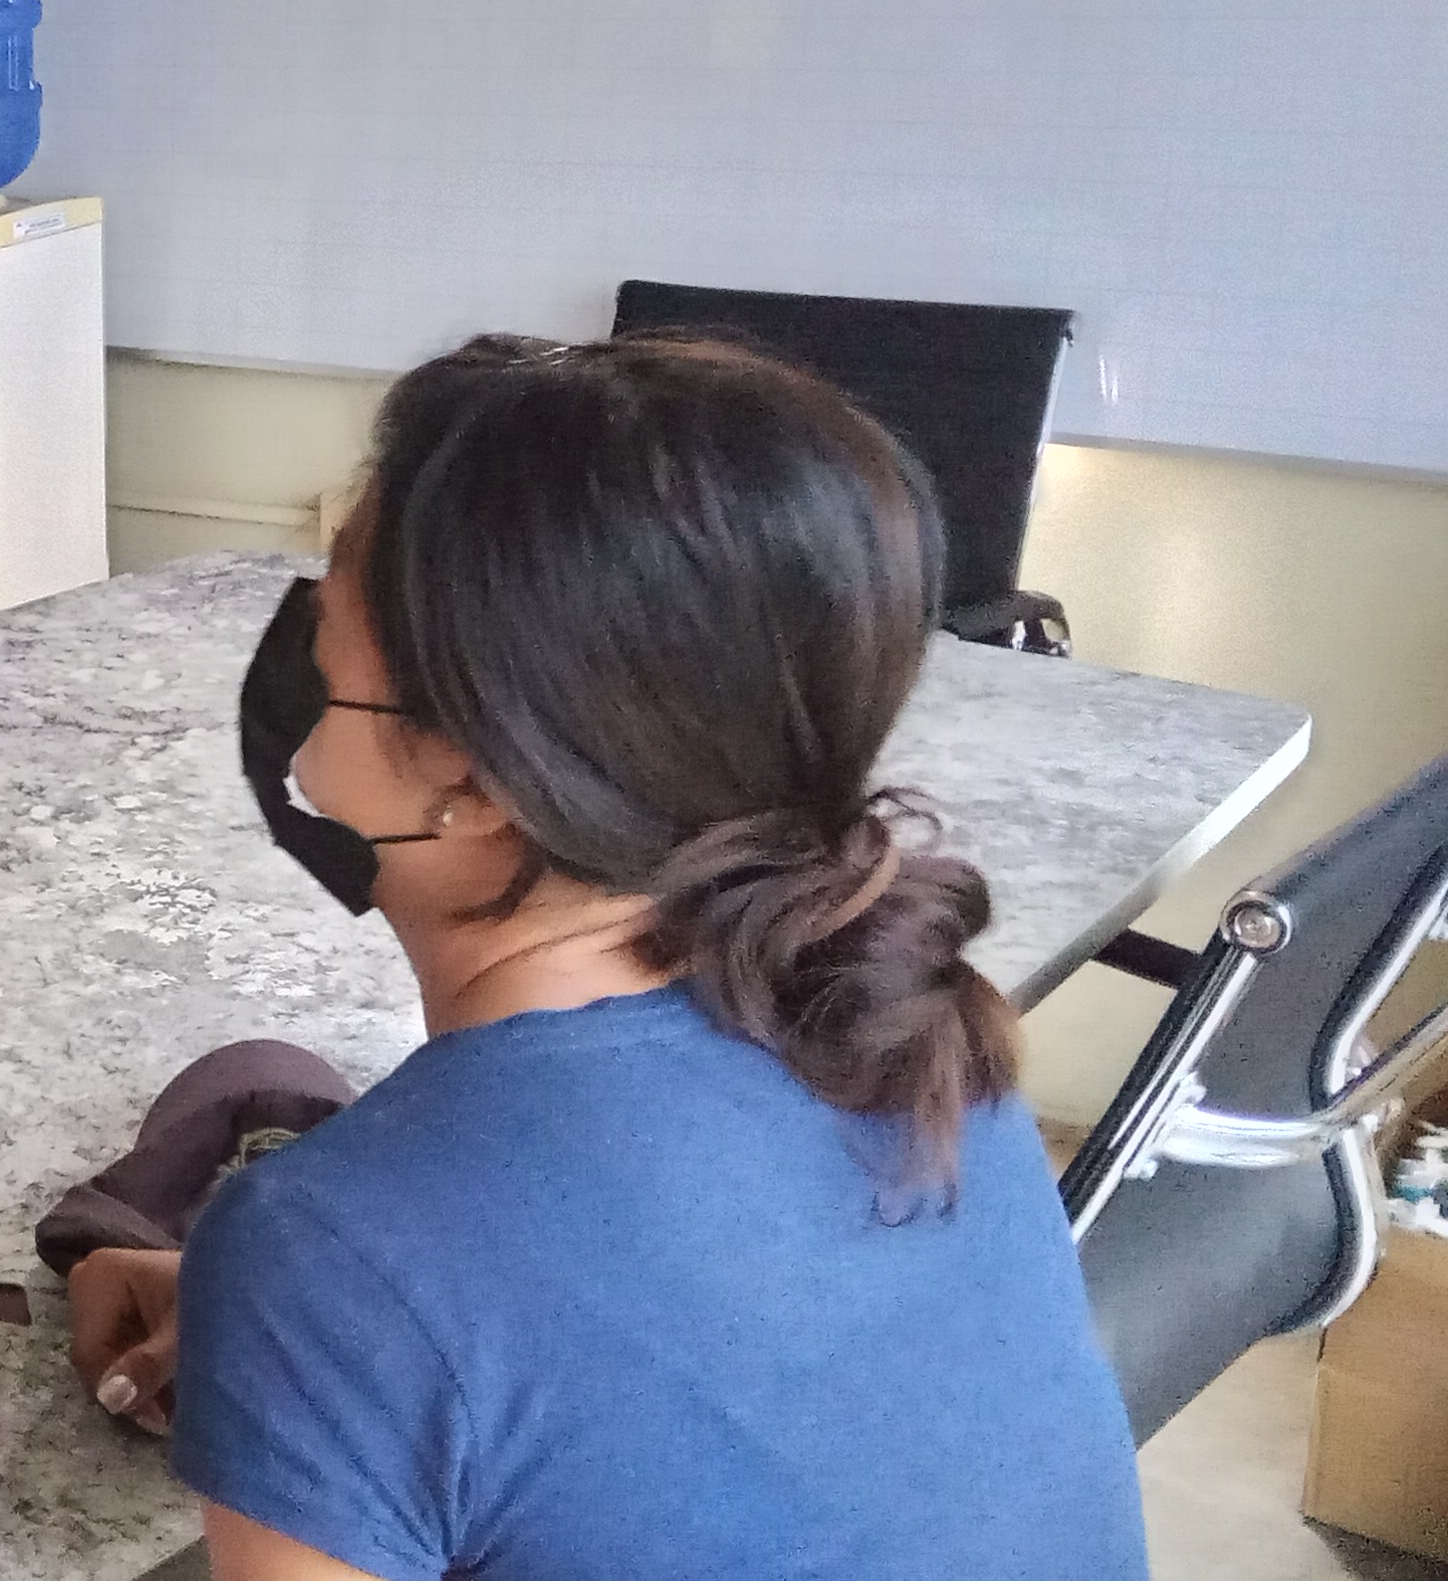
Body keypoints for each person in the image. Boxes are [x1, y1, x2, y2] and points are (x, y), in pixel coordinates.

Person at [64, 335, 1147, 1580]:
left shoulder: (336, 1249)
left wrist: (317, 1309)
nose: (294, 649)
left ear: (473, 775)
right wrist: (310, 1351)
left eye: (326, 623)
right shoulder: (905, 1028)